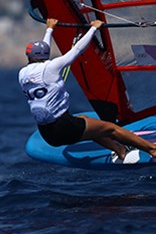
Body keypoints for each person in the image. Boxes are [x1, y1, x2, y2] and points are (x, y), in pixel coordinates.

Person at [19, 18, 156, 164]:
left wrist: (50, 29)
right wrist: (93, 29)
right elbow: (77, 50)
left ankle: (120, 150)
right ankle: (152, 149)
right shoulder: (51, 67)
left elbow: (43, 52)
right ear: (45, 55)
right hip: (64, 126)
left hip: (47, 133)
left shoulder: (22, 74)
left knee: (86, 121)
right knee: (111, 129)